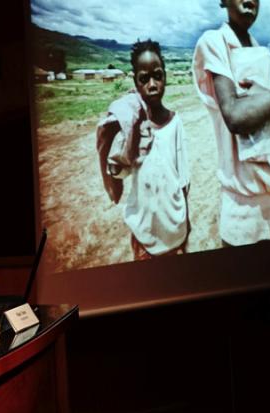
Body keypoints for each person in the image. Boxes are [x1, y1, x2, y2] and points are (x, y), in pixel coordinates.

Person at [193, 0, 270, 247]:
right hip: (242, 204)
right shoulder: (214, 42)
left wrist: (268, 100)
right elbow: (234, 116)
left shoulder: (260, 51)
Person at [96, 39, 190, 260]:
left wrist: (187, 223)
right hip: (144, 237)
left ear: (165, 76)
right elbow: (121, 172)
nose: (152, 84)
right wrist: (115, 164)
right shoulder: (129, 125)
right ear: (136, 82)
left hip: (176, 232)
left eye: (158, 75)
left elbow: (184, 180)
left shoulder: (175, 122)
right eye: (144, 79)